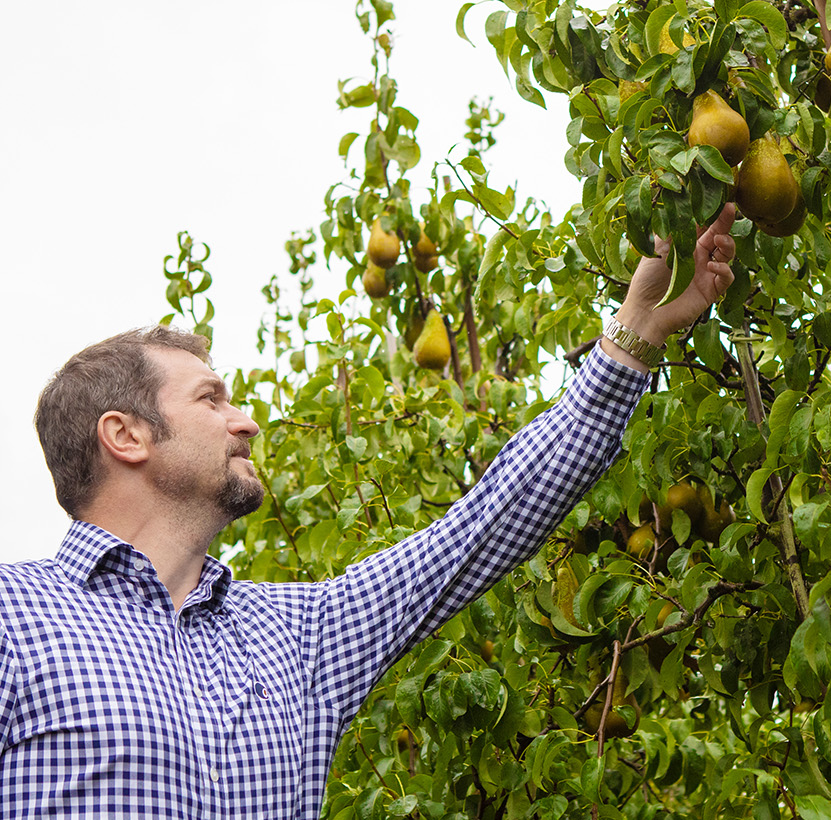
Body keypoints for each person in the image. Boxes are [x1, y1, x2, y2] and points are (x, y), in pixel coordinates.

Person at [0, 206, 738, 818]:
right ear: (124, 436)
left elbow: (484, 525)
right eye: (210, 399)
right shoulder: (14, 618)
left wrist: (637, 328)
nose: (247, 421)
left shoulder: (294, 637)